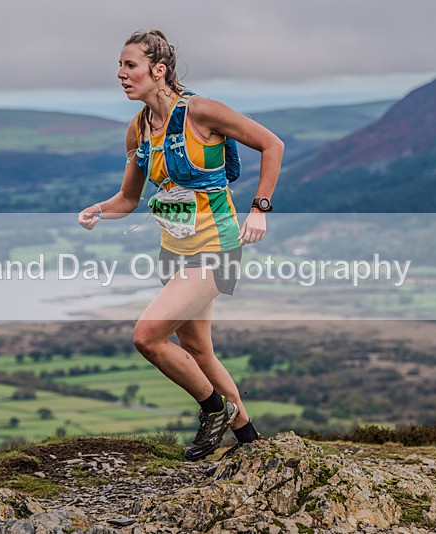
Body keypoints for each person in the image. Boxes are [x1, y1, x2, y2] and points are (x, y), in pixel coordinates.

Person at [78, 29, 283, 461]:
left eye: (129, 65)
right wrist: (98, 209)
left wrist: (259, 207)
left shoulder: (202, 112)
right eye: (119, 66)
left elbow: (272, 144)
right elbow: (128, 200)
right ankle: (250, 443)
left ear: (159, 70)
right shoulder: (137, 130)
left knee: (148, 336)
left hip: (219, 245)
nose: (120, 74)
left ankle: (213, 409)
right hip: (175, 250)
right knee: (197, 350)